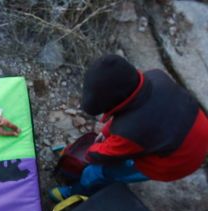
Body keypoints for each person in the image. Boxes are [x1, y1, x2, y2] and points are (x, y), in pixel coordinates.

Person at [50, 54, 208, 201]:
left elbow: (99, 156)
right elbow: (131, 110)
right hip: (195, 128)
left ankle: (76, 192)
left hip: (179, 161)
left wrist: (90, 152)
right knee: (130, 144)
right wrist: (106, 131)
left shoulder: (131, 132)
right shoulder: (155, 76)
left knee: (95, 172)